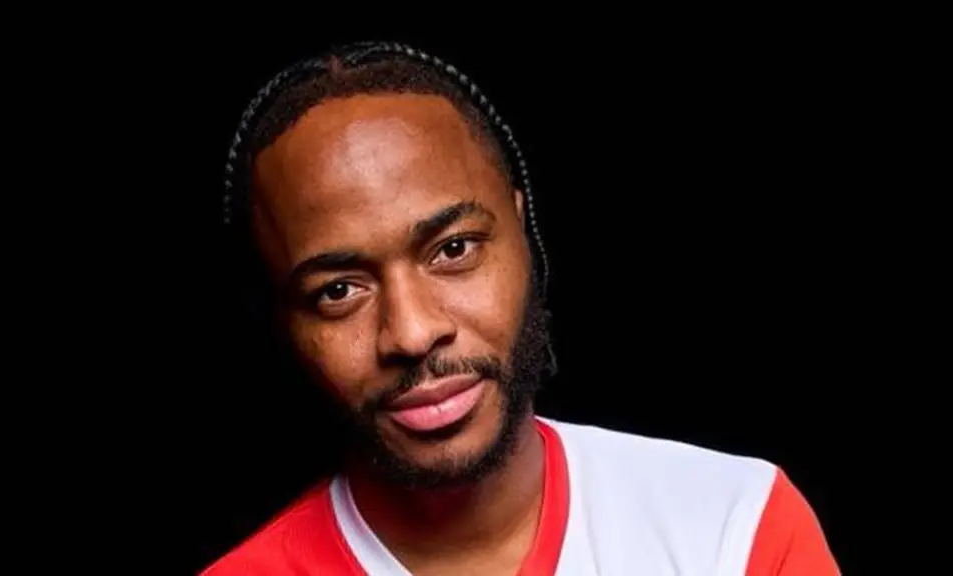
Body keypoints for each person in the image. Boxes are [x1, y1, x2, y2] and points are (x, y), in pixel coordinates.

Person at [204, 41, 839, 575]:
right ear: (284, 323)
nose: (413, 332)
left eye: (453, 249)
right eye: (339, 290)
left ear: (522, 228)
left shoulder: (733, 531)